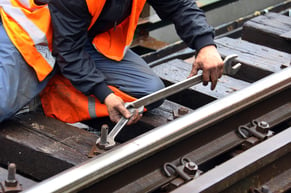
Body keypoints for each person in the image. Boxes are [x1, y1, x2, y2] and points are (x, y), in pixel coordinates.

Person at [0, 0, 223, 125]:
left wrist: (206, 46)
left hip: (79, 36)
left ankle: (57, 88)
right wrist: (105, 94)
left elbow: (179, 6)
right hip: (31, 34)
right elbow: (68, 50)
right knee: (2, 106)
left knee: (148, 93)